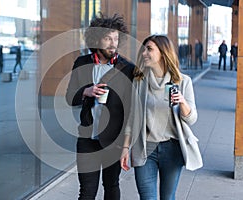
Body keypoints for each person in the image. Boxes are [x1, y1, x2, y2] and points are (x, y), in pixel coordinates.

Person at [120, 35, 199, 200]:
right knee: (147, 197)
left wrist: (182, 102)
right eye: (144, 49)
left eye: (149, 49)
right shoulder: (139, 81)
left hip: (172, 149)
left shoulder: (183, 81)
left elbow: (191, 119)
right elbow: (132, 117)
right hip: (145, 147)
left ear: (163, 53)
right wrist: (125, 148)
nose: (144, 53)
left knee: (168, 197)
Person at [65, 13, 134, 200]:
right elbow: (70, 98)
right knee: (87, 191)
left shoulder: (128, 68)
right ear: (96, 39)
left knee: (111, 186)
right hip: (87, 138)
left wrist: (126, 145)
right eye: (107, 38)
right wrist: (85, 92)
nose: (113, 43)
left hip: (114, 139)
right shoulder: (82, 63)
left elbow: (132, 109)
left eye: (116, 38)